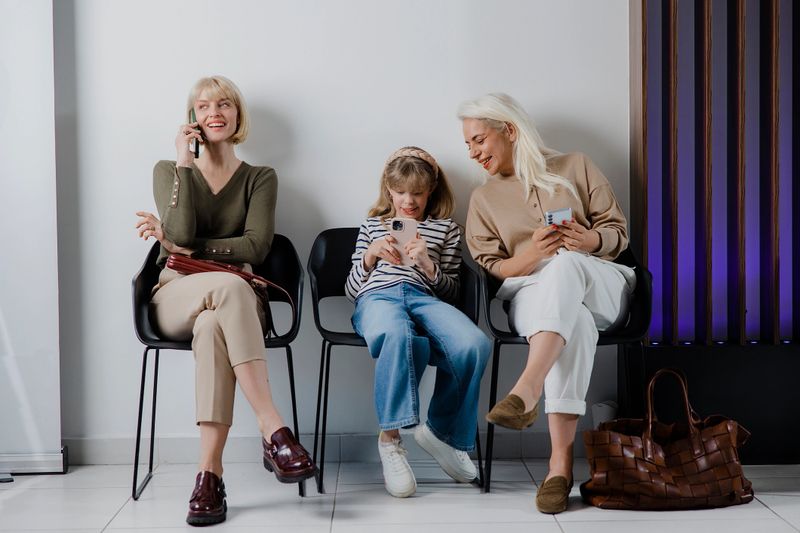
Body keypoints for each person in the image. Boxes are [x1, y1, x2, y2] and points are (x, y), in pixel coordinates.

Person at [135, 75, 316, 526]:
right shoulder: (168, 170)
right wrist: (183, 162)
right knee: (230, 287)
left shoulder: (260, 178)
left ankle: (208, 475)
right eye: (202, 105)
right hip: (176, 292)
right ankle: (274, 429)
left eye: (224, 104)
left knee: (215, 322)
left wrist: (190, 247)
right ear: (192, 118)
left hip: (234, 302)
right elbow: (176, 235)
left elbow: (256, 248)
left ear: (238, 114)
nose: (214, 111)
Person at [459, 93, 636, 514]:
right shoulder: (483, 200)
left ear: (510, 131)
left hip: (600, 280)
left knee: (568, 264)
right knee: (573, 319)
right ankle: (560, 465)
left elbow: (617, 233)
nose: (472, 152)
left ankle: (528, 386)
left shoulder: (576, 166)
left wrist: (586, 240)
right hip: (530, 292)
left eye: (478, 139)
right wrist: (535, 254)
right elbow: (493, 268)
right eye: (467, 145)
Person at [346, 146, 491, 498]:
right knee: (398, 335)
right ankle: (390, 440)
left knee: (474, 343)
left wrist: (428, 264)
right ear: (389, 190)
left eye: (417, 193)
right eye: (400, 192)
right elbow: (351, 291)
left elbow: (453, 292)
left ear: (431, 191)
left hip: (425, 298)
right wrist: (369, 257)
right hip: (378, 297)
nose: (408, 201)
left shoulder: (446, 230)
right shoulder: (372, 226)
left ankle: (442, 434)